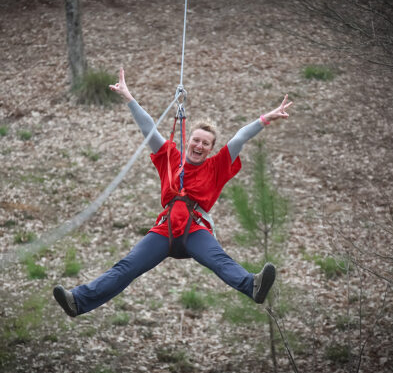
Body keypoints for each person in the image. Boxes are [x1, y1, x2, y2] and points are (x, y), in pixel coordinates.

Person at [53, 68, 292, 317]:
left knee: (221, 261)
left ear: (211, 148)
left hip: (195, 229)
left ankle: (252, 286)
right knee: (126, 266)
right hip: (164, 230)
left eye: (205, 143)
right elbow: (149, 130)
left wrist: (266, 119)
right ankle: (77, 302)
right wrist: (129, 98)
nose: (199, 145)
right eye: (196, 140)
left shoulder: (217, 166)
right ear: (188, 141)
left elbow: (240, 137)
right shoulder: (171, 157)